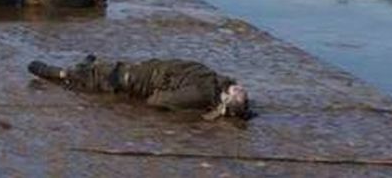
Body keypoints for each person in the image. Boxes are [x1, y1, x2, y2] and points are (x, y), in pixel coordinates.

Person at [28, 55, 251, 121]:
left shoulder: (208, 72)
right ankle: (60, 71)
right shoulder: (204, 94)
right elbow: (156, 102)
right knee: (68, 78)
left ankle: (85, 65)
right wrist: (196, 110)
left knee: (91, 72)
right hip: (121, 81)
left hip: (128, 68)